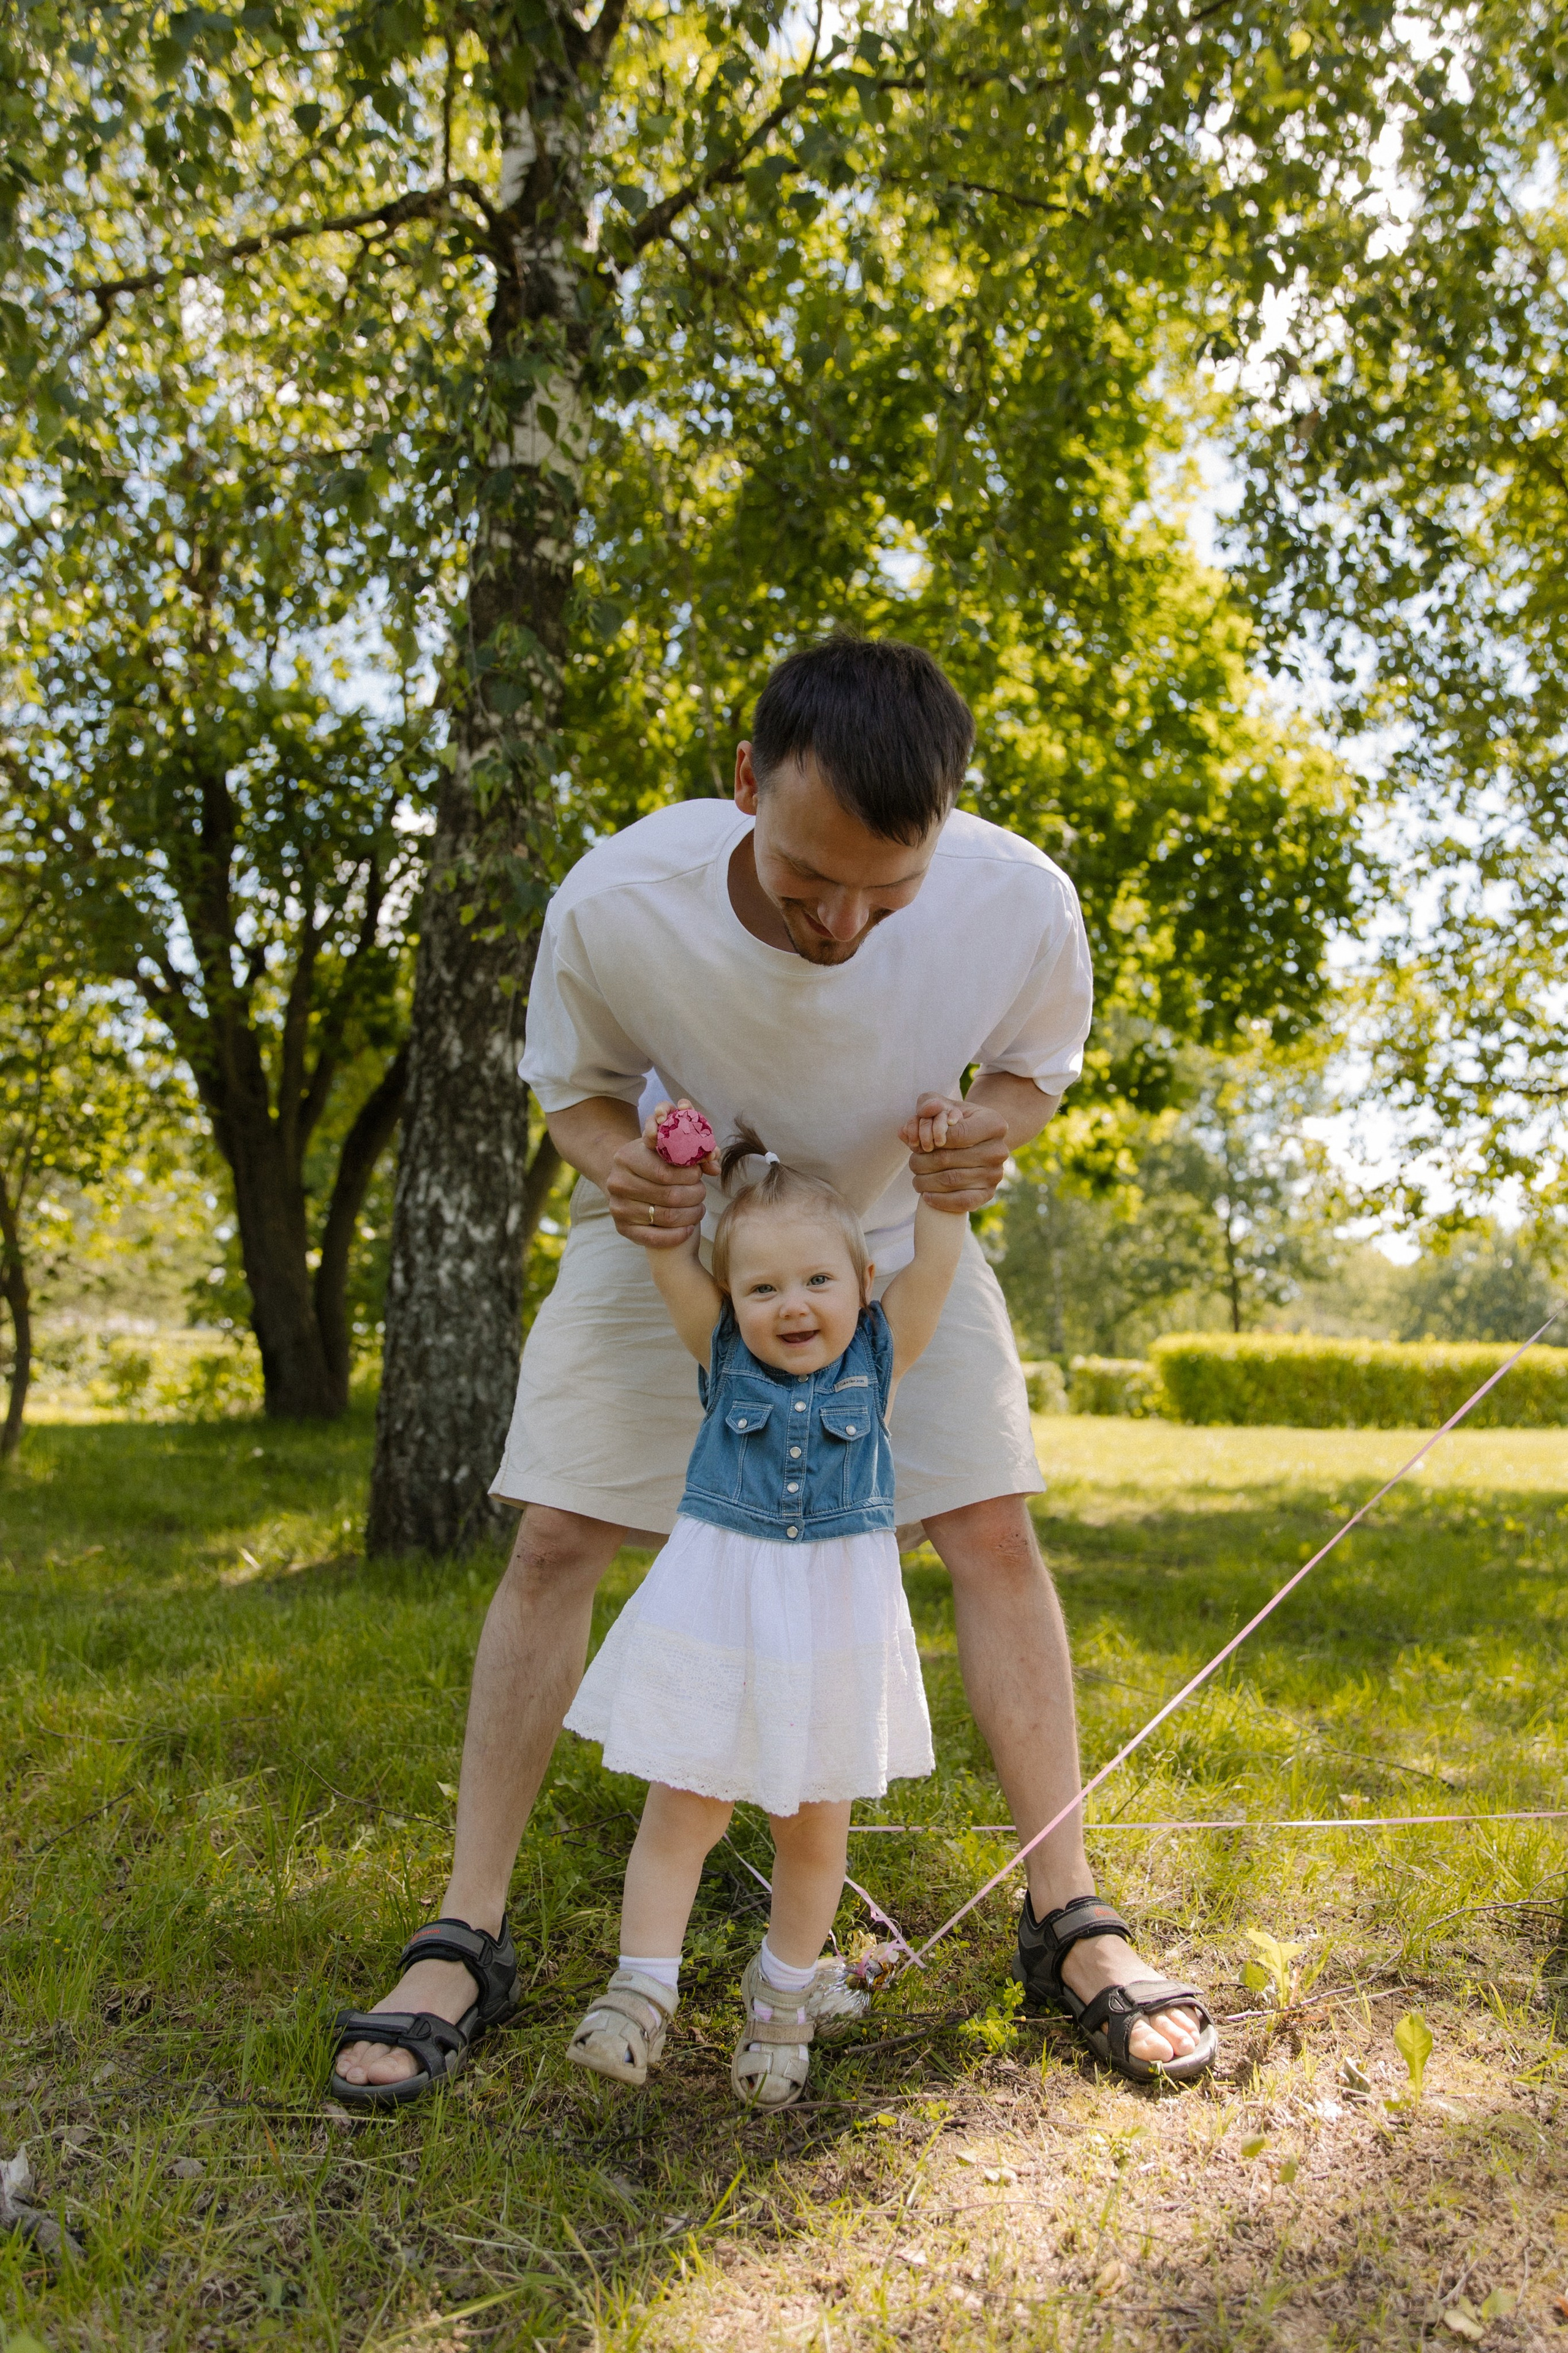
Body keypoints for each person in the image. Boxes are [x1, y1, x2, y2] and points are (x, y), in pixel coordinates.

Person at [328, 635, 1218, 2109]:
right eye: (811, 883)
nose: (848, 924)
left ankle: (1069, 1914)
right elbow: (577, 1091)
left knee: (989, 1527)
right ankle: (462, 1929)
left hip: (886, 1227)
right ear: (745, 785)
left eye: (891, 889)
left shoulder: (1018, 901)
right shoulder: (620, 902)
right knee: (555, 1537)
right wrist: (633, 1173)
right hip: (684, 1235)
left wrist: (983, 1141)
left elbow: (1031, 1067)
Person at [563, 1102, 963, 2107]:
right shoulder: (723, 1357)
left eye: (819, 1280)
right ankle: (640, 1988)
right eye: (763, 1285)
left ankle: (784, 1990)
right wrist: (668, 1175)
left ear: (863, 1286)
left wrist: (942, 1171)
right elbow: (667, 1252)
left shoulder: (881, 1356)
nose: (794, 1304)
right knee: (684, 1805)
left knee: (812, 1826)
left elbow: (939, 1260)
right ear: (730, 1298)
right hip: (719, 1617)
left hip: (831, 1631)